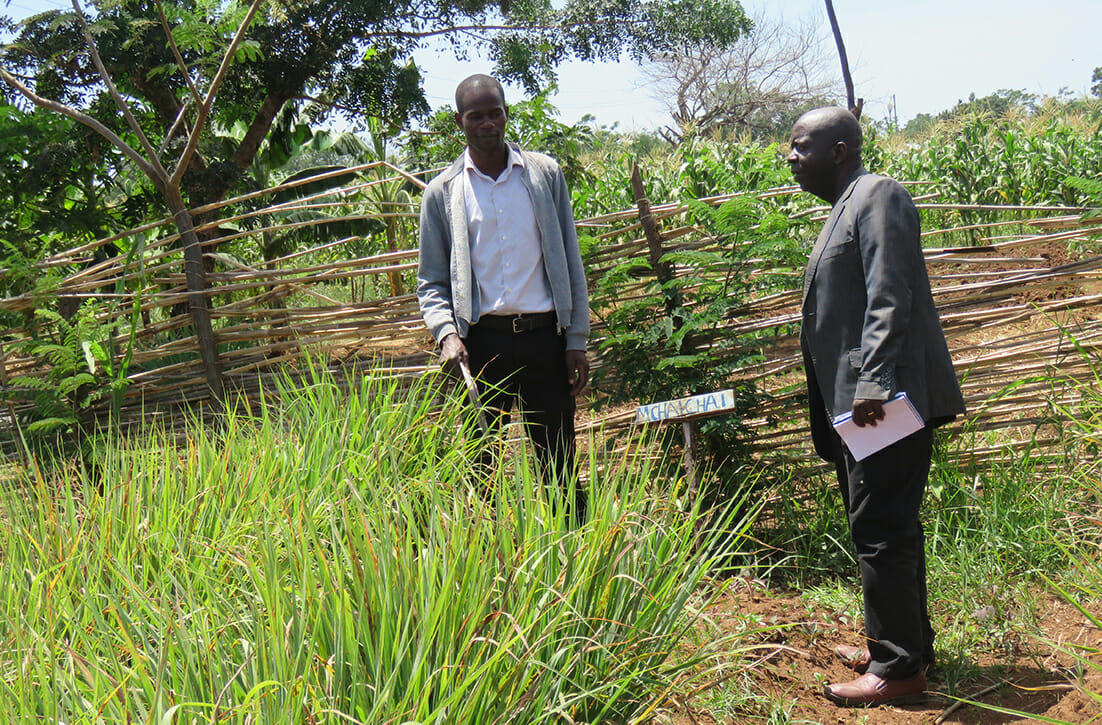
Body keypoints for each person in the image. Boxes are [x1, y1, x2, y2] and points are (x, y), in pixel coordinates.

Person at [786, 107, 966, 707]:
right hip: (861, 406)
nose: (791, 157)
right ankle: (906, 647)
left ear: (838, 150)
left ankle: (897, 670)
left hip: (884, 401)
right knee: (890, 524)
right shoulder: (845, 206)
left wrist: (873, 382)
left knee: (880, 527)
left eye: (800, 146)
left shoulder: (878, 196)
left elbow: (890, 294)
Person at [416, 74, 590, 521]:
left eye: (495, 112)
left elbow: (570, 260)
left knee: (558, 462)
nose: (488, 123)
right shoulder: (443, 192)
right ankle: (491, 564)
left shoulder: (544, 175)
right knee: (481, 466)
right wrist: (446, 336)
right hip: (481, 345)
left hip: (542, 340)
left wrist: (575, 341)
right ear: (460, 121)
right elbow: (431, 281)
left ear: (506, 113)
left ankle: (573, 559)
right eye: (476, 115)